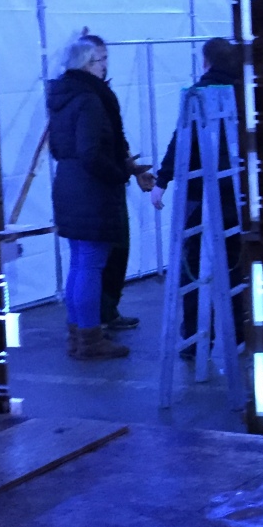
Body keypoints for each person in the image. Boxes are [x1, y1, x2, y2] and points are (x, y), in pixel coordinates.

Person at [46, 32, 154, 360]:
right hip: (91, 191)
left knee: (80, 263)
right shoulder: (90, 99)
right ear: (85, 64)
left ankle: (78, 335)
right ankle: (90, 339)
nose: (105, 66)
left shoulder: (63, 96)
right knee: (90, 265)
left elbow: (60, 148)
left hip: (69, 186)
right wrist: (121, 172)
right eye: (99, 60)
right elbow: (92, 152)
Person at [149, 38, 244, 352]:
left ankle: (194, 336)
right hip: (236, 195)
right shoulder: (243, 93)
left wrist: (162, 180)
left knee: (194, 267)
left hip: (199, 193)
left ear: (206, 61)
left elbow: (181, 142)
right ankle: (239, 333)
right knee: (235, 265)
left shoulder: (197, 95)